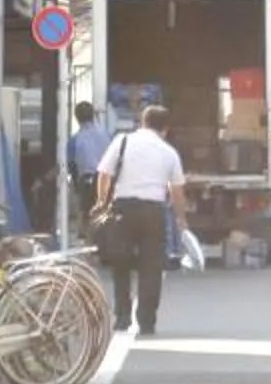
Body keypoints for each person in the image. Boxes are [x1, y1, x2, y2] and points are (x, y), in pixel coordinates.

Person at [91, 103, 187, 336]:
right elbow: (177, 191)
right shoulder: (168, 152)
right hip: (153, 212)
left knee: (120, 264)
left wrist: (102, 201)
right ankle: (147, 322)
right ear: (165, 129)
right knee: (151, 267)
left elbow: (104, 173)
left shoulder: (122, 141)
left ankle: (122, 317)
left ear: (142, 123)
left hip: (123, 209)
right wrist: (180, 218)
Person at [66, 102, 116, 228]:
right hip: (107, 179)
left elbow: (71, 164)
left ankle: (90, 242)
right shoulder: (107, 135)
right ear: (93, 115)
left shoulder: (75, 139)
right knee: (106, 214)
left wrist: (76, 187)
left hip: (87, 180)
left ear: (76, 117)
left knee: (88, 215)